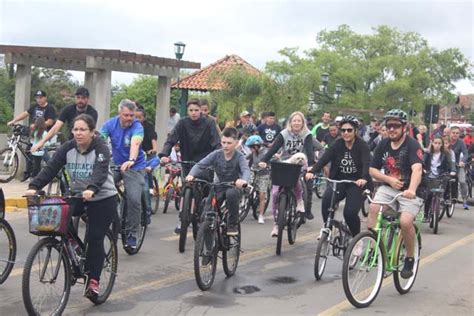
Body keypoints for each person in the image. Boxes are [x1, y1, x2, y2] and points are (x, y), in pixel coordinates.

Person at [26, 114, 117, 301]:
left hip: (103, 197)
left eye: (83, 129)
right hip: (78, 196)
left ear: (92, 132)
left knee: (94, 238)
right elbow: (51, 167)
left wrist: (92, 188)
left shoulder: (101, 148)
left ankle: (93, 280)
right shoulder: (68, 148)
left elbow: (100, 172)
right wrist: (34, 187)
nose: (78, 133)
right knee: (58, 218)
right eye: (75, 129)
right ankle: (73, 246)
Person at [368, 109, 424, 279]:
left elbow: (417, 169)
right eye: (388, 125)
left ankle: (409, 257)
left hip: (410, 191)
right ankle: (374, 248)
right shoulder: (383, 144)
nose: (391, 129)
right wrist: (389, 180)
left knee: (405, 222)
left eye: (396, 126)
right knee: (373, 208)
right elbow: (372, 169)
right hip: (389, 187)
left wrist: (412, 190)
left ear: (404, 127)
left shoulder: (412, 145)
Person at [159, 99, 221, 233]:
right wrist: (164, 154)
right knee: (185, 188)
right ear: (188, 111)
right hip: (187, 161)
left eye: (197, 110)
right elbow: (171, 140)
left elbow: (217, 143)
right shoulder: (182, 123)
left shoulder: (209, 123)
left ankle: (204, 218)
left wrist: (218, 158)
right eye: (191, 110)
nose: (194, 113)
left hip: (205, 162)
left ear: (202, 110)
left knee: (205, 191)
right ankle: (182, 218)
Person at [307, 115, 370, 238]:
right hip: (339, 180)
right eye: (343, 130)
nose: (346, 133)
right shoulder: (338, 143)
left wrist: (364, 178)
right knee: (326, 201)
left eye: (349, 130)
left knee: (350, 213)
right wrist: (313, 171)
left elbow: (366, 163)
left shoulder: (362, 145)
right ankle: (328, 228)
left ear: (355, 131)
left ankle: (356, 239)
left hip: (357, 183)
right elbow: (325, 158)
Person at [259, 111, 316, 236]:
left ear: (302, 123)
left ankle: (300, 201)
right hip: (285, 163)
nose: (296, 123)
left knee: (297, 180)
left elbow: (310, 151)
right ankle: (276, 224)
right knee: (274, 193)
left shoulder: (307, 134)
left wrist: (311, 165)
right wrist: (264, 160)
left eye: (299, 121)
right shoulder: (283, 134)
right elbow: (274, 148)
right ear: (290, 122)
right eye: (294, 120)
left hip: (300, 163)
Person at [186, 127, 249, 235]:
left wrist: (243, 180)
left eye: (229, 143)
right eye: (223, 142)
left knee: (231, 194)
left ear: (236, 143)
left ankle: (232, 224)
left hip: (234, 186)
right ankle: (206, 233)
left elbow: (246, 170)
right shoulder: (216, 154)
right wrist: (191, 174)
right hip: (219, 186)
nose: (225, 145)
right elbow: (200, 165)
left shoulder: (240, 157)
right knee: (208, 209)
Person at [100, 99, 146, 249]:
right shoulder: (110, 124)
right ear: (119, 113)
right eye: (126, 115)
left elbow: (135, 143)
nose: (129, 118)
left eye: (131, 115)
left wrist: (131, 159)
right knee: (101, 187)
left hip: (135, 166)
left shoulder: (137, 126)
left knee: (133, 199)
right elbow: (99, 139)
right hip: (116, 163)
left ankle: (133, 233)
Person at [8, 89, 57, 181]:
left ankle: (53, 169)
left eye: (41, 98)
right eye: (37, 98)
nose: (39, 100)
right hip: (34, 134)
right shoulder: (34, 106)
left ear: (45, 98)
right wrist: (14, 121)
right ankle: (28, 173)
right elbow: (25, 114)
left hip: (45, 134)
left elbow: (50, 122)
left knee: (42, 154)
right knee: (28, 152)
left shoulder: (50, 108)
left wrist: (37, 125)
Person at [32, 87, 98, 152]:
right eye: (78, 97)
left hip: (87, 145)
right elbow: (56, 127)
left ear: (88, 99)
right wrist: (42, 142)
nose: (80, 100)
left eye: (83, 98)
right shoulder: (68, 109)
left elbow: (90, 132)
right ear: (75, 98)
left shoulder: (93, 112)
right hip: (71, 143)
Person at [422, 136, 456, 221]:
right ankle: (426, 215)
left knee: (446, 183)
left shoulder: (446, 153)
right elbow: (422, 162)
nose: (437, 145)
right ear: (432, 143)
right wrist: (423, 169)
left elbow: (451, 163)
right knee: (429, 195)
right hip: (430, 175)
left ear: (442, 144)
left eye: (439, 143)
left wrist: (453, 171)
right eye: (435, 143)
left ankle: (444, 199)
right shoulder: (428, 153)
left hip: (441, 175)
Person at [245, 135, 270, 224]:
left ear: (256, 146)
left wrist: (266, 165)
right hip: (253, 171)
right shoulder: (253, 152)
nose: (250, 149)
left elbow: (272, 160)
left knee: (261, 195)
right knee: (246, 187)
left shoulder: (266, 152)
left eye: (251, 147)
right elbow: (245, 158)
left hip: (263, 174)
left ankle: (261, 215)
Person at [449, 126, 469, 209]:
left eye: (457, 133)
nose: (455, 135)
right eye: (453, 133)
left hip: (458, 165)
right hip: (447, 165)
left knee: (462, 181)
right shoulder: (446, 141)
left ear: (459, 134)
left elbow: (466, 153)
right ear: (450, 133)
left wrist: (462, 161)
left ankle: (464, 200)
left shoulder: (461, 142)